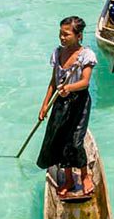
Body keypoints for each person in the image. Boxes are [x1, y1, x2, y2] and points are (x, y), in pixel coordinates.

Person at [37, 16, 97, 199]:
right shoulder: (57, 53)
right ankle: (69, 178)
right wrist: (45, 104)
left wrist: (68, 88)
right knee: (61, 140)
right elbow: (53, 82)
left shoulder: (86, 55)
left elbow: (85, 83)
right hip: (61, 102)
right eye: (60, 34)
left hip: (79, 102)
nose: (62, 38)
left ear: (78, 36)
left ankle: (85, 176)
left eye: (66, 34)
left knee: (76, 141)